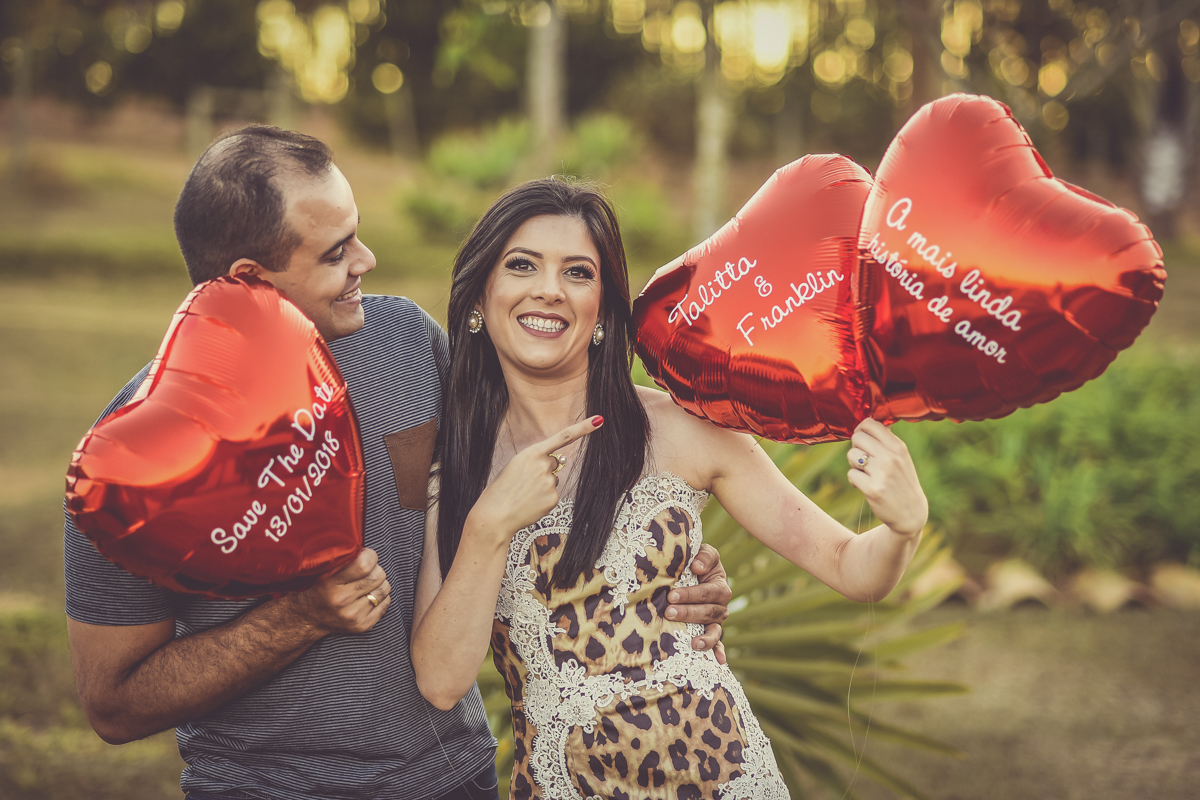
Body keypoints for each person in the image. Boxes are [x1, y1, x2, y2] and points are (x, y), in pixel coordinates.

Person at [64, 126, 732, 800]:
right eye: (336, 253)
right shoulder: (133, 466)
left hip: (455, 780)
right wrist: (298, 618)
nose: (367, 259)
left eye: (356, 234)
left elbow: (526, 478)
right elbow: (113, 704)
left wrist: (672, 568)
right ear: (249, 279)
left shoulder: (406, 344)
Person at [409, 179, 930, 799]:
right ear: (479, 296)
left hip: (721, 778)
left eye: (578, 272)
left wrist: (902, 527)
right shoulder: (455, 463)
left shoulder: (683, 428)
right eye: (522, 265)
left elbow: (849, 565)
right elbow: (441, 682)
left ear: (604, 312)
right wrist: (490, 524)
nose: (549, 289)